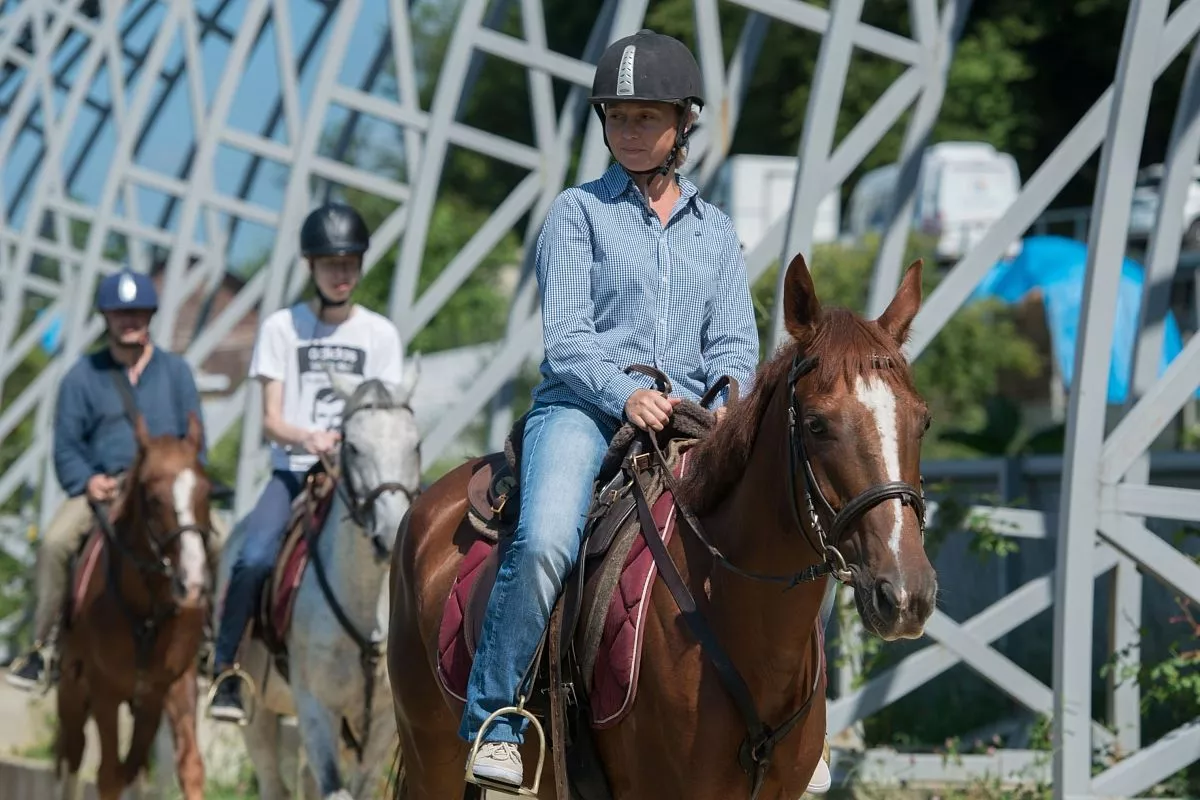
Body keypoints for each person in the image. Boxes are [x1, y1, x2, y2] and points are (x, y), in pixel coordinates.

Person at [454, 28, 846, 792]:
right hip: (584, 412)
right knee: (543, 542)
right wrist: (625, 394)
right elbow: (565, 339)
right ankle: (497, 715)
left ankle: (797, 720)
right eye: (618, 117)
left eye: (647, 117)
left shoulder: (715, 231)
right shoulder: (577, 214)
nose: (630, 132)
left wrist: (730, 396)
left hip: (694, 421)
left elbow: (735, 340)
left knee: (792, 533)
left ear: (683, 124)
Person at [208, 201, 405, 723]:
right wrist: (312, 438)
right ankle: (226, 669)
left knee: (414, 541)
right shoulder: (281, 329)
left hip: (361, 475)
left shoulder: (380, 335)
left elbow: (385, 416)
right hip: (295, 469)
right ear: (310, 266)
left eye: (349, 263)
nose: (341, 274)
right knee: (252, 556)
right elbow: (271, 420)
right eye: (330, 264)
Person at [7, 268, 223, 690]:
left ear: (150, 316)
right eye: (121, 313)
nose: (130, 321)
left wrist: (183, 478)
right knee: (54, 544)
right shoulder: (82, 376)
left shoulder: (176, 373)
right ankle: (44, 645)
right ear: (105, 316)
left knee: (219, 543)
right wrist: (87, 481)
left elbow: (197, 442)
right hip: (107, 488)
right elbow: (67, 445)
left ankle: (214, 642)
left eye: (138, 313)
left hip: (165, 493)